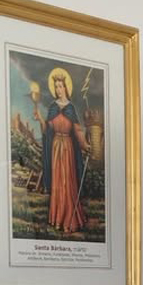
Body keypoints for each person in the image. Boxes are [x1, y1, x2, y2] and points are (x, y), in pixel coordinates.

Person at [34, 68, 91, 234]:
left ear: (66, 88)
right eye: (56, 87)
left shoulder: (71, 108)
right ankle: (57, 219)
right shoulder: (52, 107)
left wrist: (85, 145)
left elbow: (77, 130)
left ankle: (69, 219)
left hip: (67, 148)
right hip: (55, 148)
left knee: (67, 181)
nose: (58, 90)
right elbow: (47, 130)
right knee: (58, 182)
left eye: (60, 86)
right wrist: (40, 119)